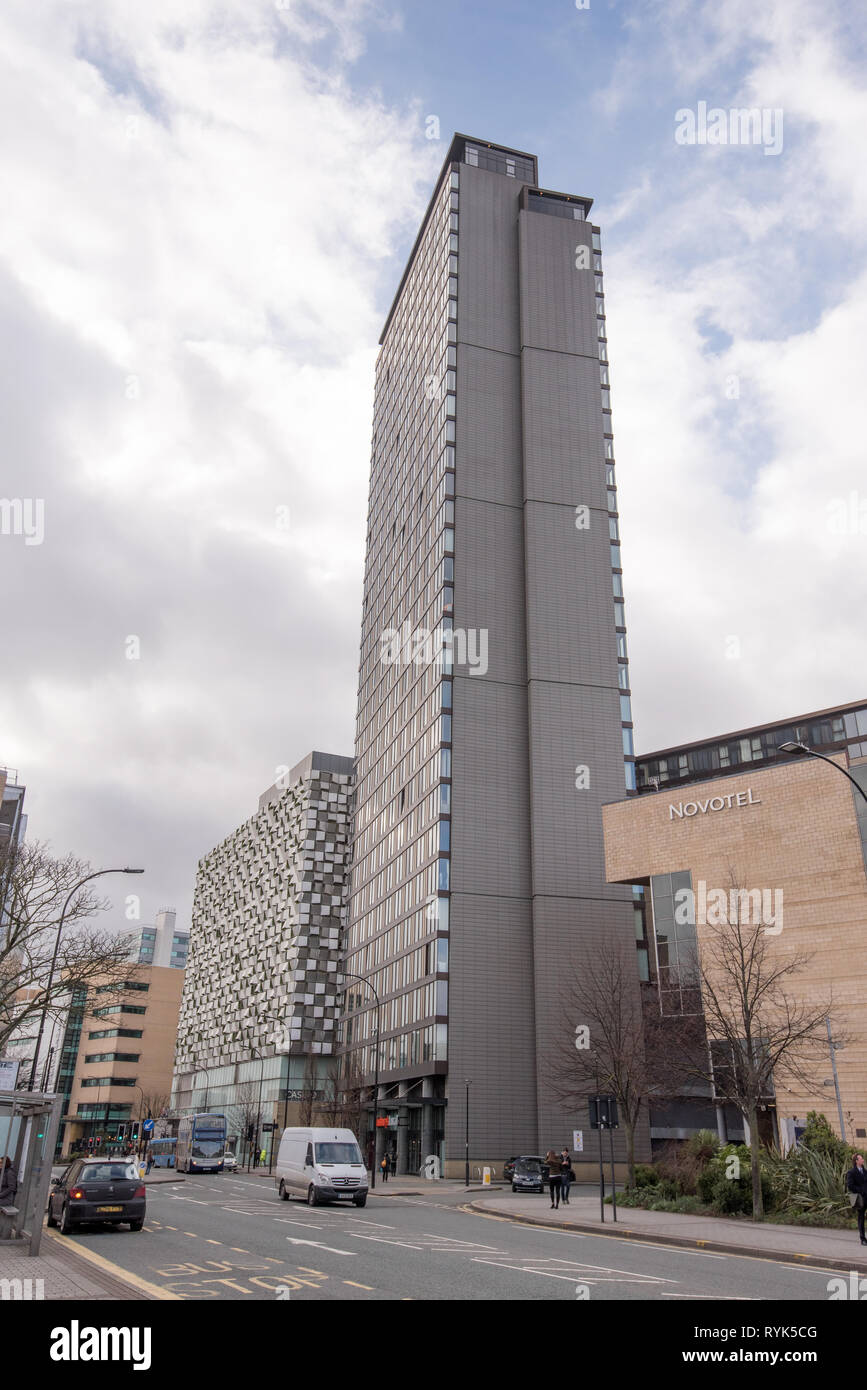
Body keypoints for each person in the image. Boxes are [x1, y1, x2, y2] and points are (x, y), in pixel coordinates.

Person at [846, 1153, 867, 1245]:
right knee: (861, 1218)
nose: (863, 1160)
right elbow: (850, 1186)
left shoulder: (865, 1171)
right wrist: (861, 1190)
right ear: (856, 1161)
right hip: (860, 1198)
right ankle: (863, 1239)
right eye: (861, 1159)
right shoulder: (851, 1172)